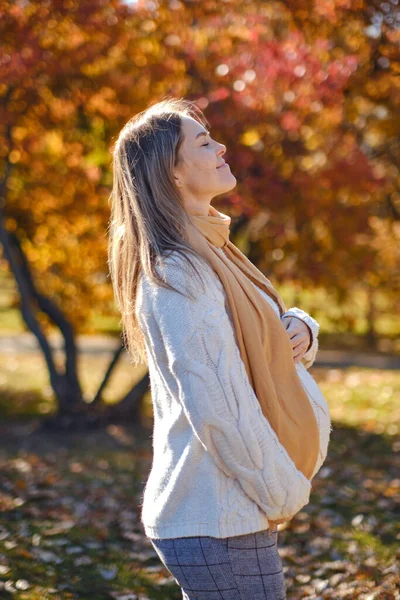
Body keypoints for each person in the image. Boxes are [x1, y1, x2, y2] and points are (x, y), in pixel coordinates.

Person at [107, 97, 332, 600]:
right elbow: (216, 404)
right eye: (204, 143)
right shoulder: (178, 272)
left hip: (227, 507)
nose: (222, 146)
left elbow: (260, 327)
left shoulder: (210, 248)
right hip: (216, 511)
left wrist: (300, 327)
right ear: (173, 173)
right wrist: (280, 489)